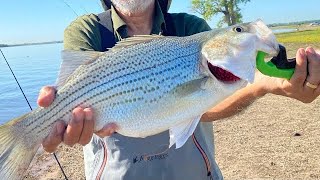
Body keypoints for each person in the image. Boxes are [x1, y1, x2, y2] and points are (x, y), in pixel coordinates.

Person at [38, 0, 320, 179]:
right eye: (237, 31)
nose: (241, 33)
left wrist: (264, 85)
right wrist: (51, 124)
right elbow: (70, 94)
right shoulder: (87, 30)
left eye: (238, 31)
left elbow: (205, 104)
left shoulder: (191, 27)